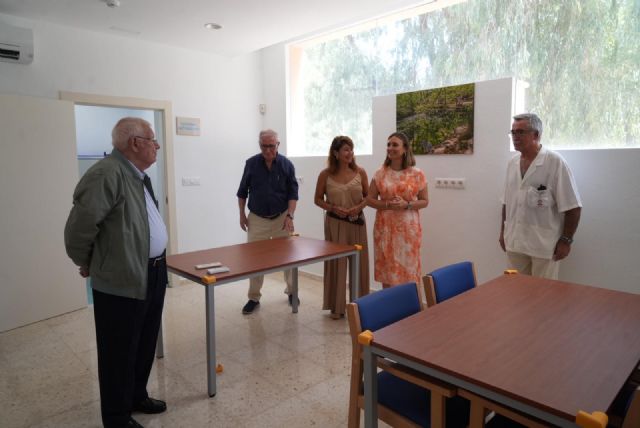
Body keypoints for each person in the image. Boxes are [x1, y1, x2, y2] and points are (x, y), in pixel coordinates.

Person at [64, 117, 168, 428]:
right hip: (122, 278)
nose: (157, 145)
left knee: (145, 341)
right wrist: (92, 262)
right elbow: (78, 231)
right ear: (135, 143)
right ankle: (116, 416)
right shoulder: (106, 174)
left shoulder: (138, 176)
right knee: (118, 350)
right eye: (152, 139)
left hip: (153, 271)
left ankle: (136, 395)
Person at [500, 113, 582, 279]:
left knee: (543, 296)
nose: (515, 137)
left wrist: (566, 241)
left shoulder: (555, 162)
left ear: (536, 134)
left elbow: (573, 207)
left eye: (520, 132)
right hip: (514, 242)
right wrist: (503, 232)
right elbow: (505, 203)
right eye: (513, 132)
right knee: (513, 290)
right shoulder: (512, 163)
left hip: (544, 246)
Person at [237, 129, 299, 314]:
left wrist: (290, 216)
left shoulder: (287, 165)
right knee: (255, 260)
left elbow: (293, 194)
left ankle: (292, 292)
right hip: (257, 218)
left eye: (271, 146)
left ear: (278, 145)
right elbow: (242, 192)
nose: (268, 150)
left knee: (289, 257)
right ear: (260, 145)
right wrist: (242, 214)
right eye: (264, 146)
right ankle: (253, 297)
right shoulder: (251, 164)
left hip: (281, 217)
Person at [314, 136, 370, 319]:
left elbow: (368, 197)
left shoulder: (360, 172)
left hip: (356, 223)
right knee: (336, 264)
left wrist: (357, 208)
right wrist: (333, 208)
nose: (350, 153)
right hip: (335, 225)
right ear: (336, 153)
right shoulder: (325, 174)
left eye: (351, 149)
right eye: (346, 149)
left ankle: (361, 307)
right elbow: (317, 199)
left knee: (359, 264)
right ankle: (336, 307)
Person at [367, 131, 429, 288]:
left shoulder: (417, 174)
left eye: (395, 145)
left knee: (409, 271)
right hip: (385, 229)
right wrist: (387, 204)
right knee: (387, 271)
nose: (390, 148)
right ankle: (389, 309)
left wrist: (406, 205)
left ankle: (412, 310)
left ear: (405, 148)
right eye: (388, 145)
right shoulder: (380, 173)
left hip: (409, 231)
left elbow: (425, 201)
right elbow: (369, 199)